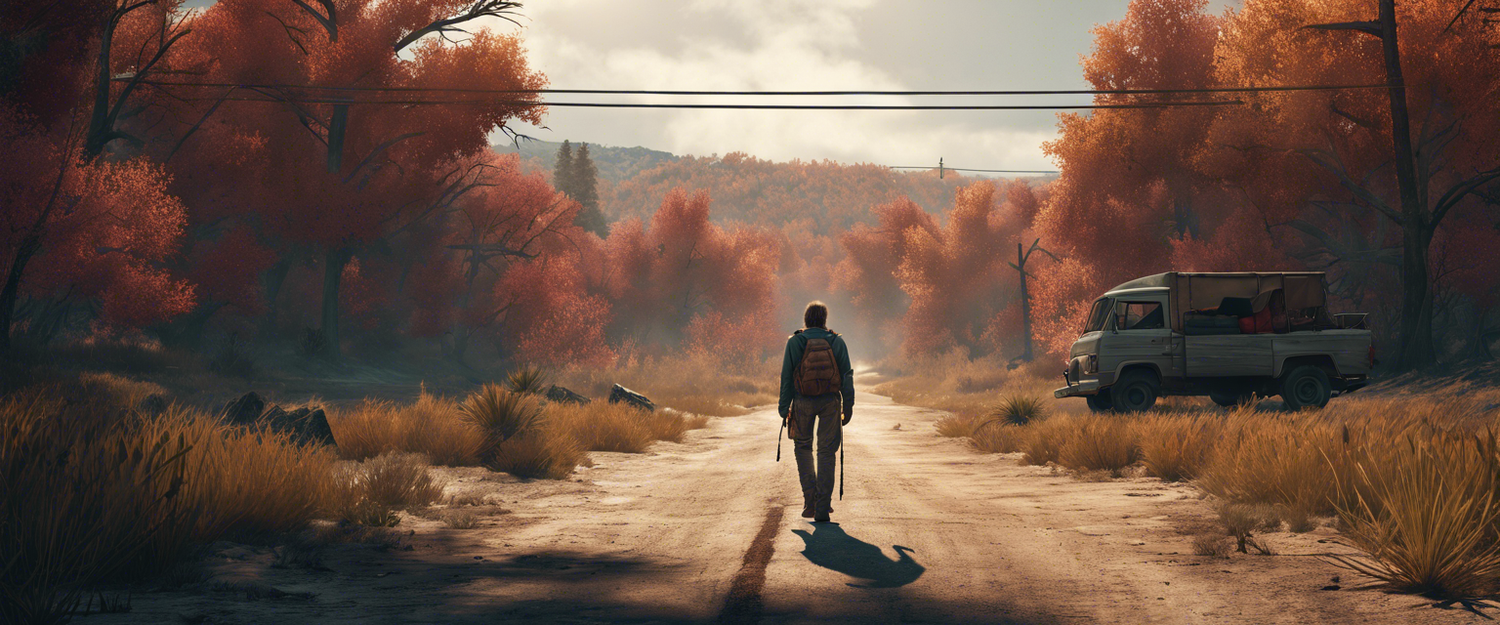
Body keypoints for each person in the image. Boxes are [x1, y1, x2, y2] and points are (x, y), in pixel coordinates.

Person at [779, 301, 855, 523]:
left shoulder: (795, 342)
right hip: (830, 402)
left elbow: (786, 377)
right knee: (826, 451)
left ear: (806, 319)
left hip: (802, 401)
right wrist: (848, 405)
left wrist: (784, 408)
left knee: (802, 447)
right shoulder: (836, 341)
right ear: (824, 319)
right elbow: (847, 375)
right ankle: (823, 506)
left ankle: (809, 501)